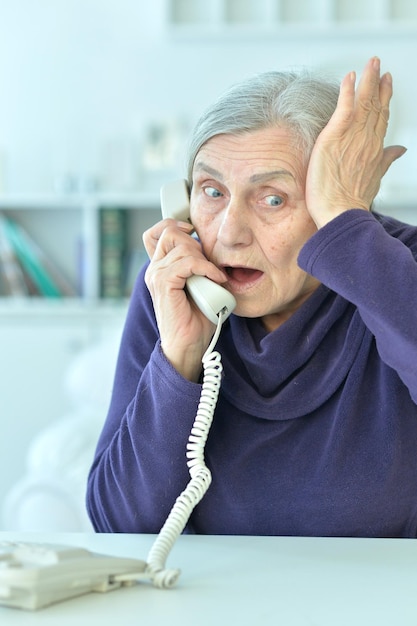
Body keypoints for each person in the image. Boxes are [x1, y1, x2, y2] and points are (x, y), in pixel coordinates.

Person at [86, 57, 417, 538]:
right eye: (212, 190)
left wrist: (350, 232)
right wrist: (178, 358)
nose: (229, 233)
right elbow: (117, 526)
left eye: (273, 198)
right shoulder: (175, 283)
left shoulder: (398, 269)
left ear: (339, 197)